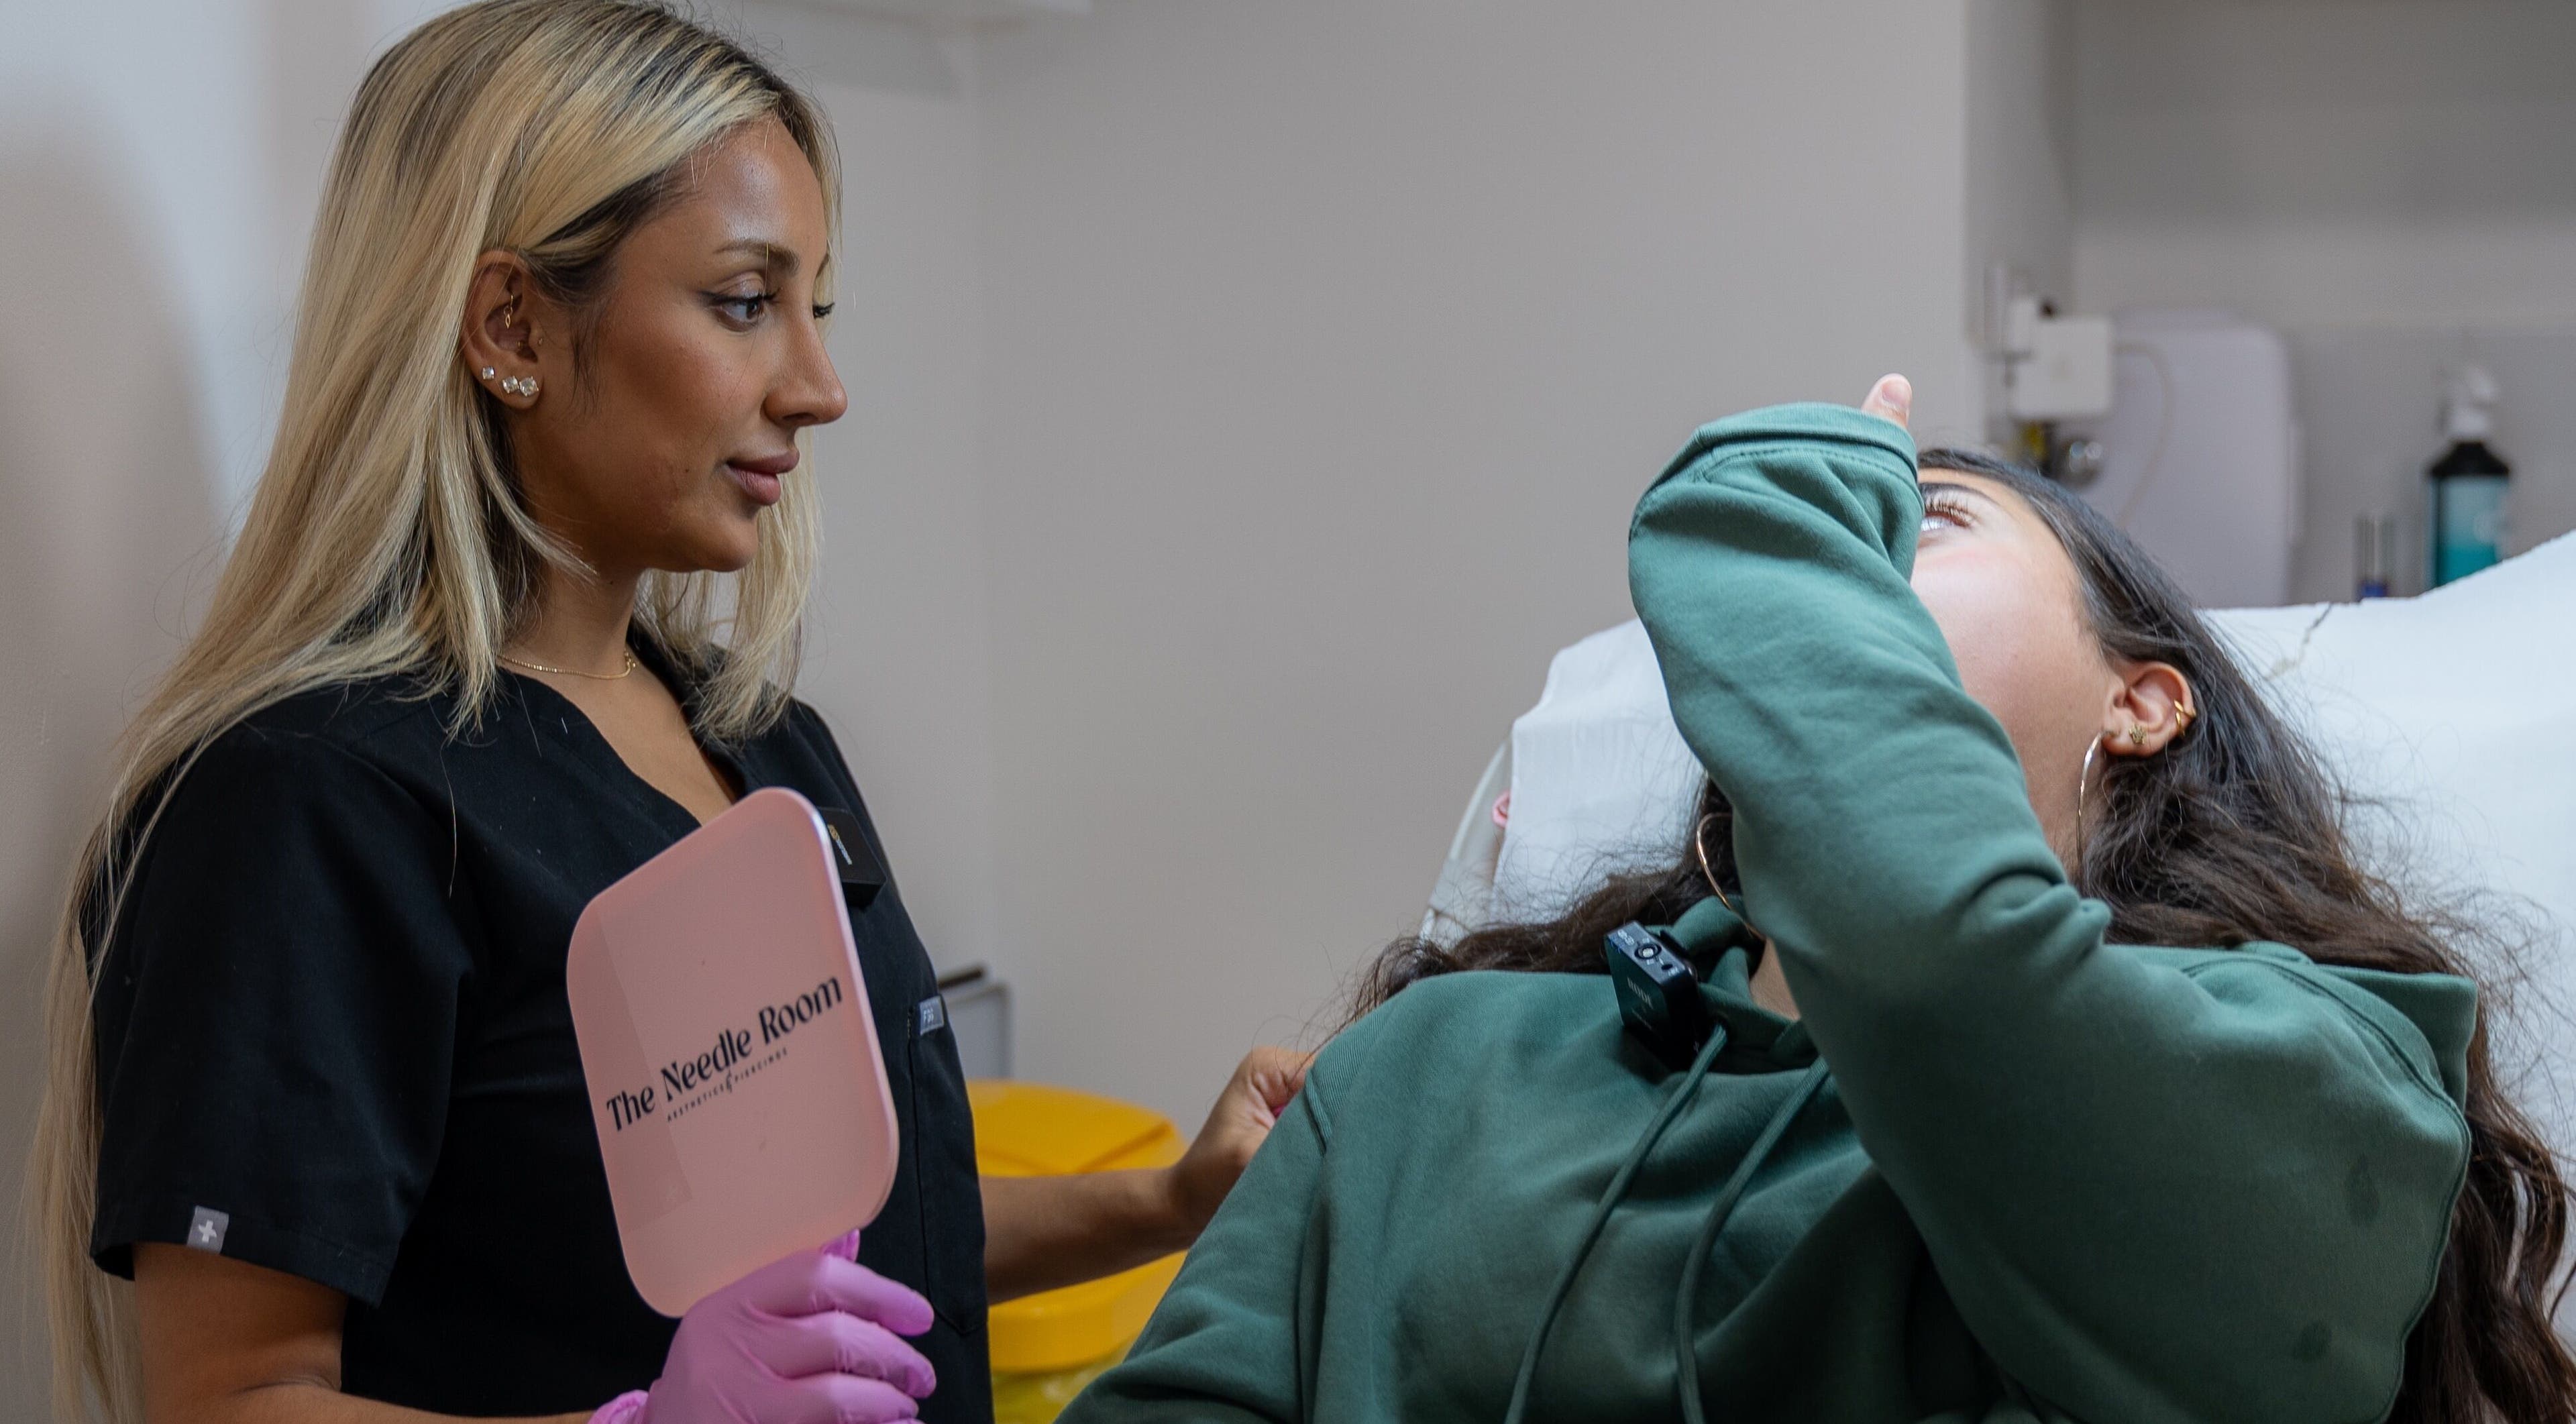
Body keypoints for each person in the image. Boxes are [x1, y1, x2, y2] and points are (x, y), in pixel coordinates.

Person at [29, 4, 1304, 1422]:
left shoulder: (760, 742)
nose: (820, 391)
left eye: (813, 311)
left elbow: (863, 1254)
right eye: (746, 302)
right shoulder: (300, 803)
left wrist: (1176, 1199)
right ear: (512, 324)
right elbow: (229, 1399)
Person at [1061, 378, 2576, 1424]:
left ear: (2142, 702)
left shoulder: (2322, 1068)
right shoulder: (1431, 1064)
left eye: (1915, 527)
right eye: (1826, 546)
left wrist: (1765, 503)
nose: (1841, 572)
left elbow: (1947, 964)